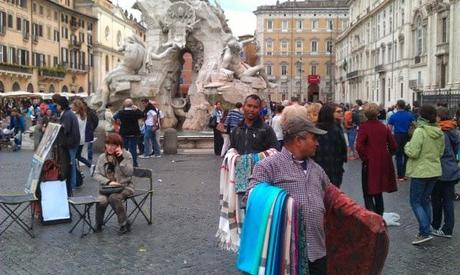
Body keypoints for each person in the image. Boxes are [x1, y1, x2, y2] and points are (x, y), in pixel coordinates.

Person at [247, 105, 330, 274]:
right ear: (299, 140)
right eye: (313, 138)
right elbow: (250, 197)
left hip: (317, 253)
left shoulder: (317, 170)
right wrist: (285, 202)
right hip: (285, 255)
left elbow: (332, 196)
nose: (317, 143)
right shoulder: (268, 166)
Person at [404, 104, 445, 245]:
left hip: (421, 171)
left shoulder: (420, 132)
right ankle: (425, 230)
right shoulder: (439, 131)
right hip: (434, 170)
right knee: (425, 200)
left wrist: (406, 146)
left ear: (421, 115)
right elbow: (440, 152)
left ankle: (425, 231)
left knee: (415, 201)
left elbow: (413, 152)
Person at [356, 103, 398, 215]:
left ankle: (372, 216)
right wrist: (387, 155)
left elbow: (359, 145)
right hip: (383, 161)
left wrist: (365, 157)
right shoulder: (384, 127)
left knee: (368, 191)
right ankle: (379, 214)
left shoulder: (364, 127)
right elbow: (393, 145)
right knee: (378, 191)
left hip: (370, 162)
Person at [93, 133, 135, 235]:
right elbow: (96, 174)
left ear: (119, 145)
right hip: (107, 187)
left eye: (113, 145)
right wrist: (109, 182)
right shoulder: (102, 157)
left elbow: (129, 172)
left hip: (125, 186)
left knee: (114, 197)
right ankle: (99, 223)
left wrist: (121, 159)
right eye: (108, 144)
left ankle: (123, 224)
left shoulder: (127, 155)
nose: (110, 147)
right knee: (101, 200)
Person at [431, 107, 460, 238]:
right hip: (452, 169)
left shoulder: (439, 132)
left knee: (436, 199)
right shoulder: (454, 130)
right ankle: (448, 229)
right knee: (448, 200)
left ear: (439, 117)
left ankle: (435, 225)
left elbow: (438, 152)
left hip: (440, 169)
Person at [314, 103, 347, 187]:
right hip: (332, 167)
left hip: (323, 167)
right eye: (338, 112)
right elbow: (343, 148)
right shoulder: (336, 129)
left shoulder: (315, 129)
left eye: (341, 111)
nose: (341, 113)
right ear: (329, 114)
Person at [56, 96, 80, 191]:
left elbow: (66, 129)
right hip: (71, 142)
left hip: (70, 142)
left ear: (61, 105)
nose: (56, 107)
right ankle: (72, 183)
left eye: (57, 105)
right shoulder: (68, 113)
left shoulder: (67, 115)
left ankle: (72, 185)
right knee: (71, 163)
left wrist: (59, 127)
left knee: (71, 164)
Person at [388, 100, 415, 181]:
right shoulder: (409, 115)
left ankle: (400, 176)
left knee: (399, 156)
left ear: (397, 106)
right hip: (407, 136)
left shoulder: (393, 116)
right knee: (406, 155)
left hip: (397, 136)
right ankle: (406, 174)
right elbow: (415, 124)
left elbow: (389, 129)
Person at [113, 98, 145, 167]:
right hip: (134, 133)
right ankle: (134, 163)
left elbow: (114, 117)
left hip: (124, 133)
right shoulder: (135, 112)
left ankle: (122, 162)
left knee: (123, 149)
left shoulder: (121, 112)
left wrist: (118, 120)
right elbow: (143, 115)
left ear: (124, 104)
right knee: (133, 150)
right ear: (132, 105)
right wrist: (137, 109)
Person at [72, 99, 92, 174]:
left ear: (76, 106)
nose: (71, 106)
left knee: (74, 156)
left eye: (73, 105)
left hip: (76, 139)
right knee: (77, 156)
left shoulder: (75, 116)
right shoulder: (84, 115)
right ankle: (89, 166)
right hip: (82, 139)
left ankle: (78, 172)